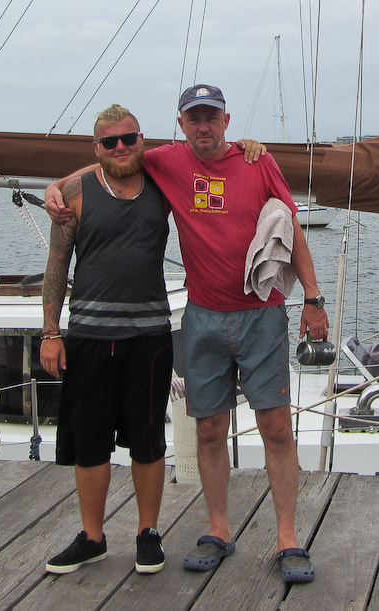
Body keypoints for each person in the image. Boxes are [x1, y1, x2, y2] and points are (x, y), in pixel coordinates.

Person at [46, 85, 329, 584]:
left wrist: (313, 297)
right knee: (209, 429)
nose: (203, 126)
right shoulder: (167, 161)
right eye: (193, 118)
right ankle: (218, 530)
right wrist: (57, 185)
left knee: (277, 429)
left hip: (261, 316)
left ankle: (287, 538)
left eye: (211, 117)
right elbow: (113, 162)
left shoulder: (257, 161)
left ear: (226, 121)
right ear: (180, 125)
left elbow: (294, 229)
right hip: (202, 318)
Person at [41, 104, 173, 575]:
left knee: (148, 440)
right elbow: (57, 264)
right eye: (110, 141)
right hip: (90, 336)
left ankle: (147, 533)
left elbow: (210, 166)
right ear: (95, 147)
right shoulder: (74, 194)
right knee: (90, 441)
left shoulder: (164, 183)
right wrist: (51, 332)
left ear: (142, 140)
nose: (121, 147)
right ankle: (92, 537)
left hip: (149, 336)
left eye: (129, 138)